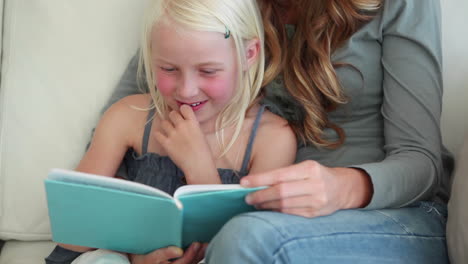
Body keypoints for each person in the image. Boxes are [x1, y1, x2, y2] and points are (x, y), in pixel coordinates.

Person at [50, 0, 454, 262]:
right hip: (260, 221)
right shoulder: (204, 12)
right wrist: (140, 246)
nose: (188, 85)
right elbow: (117, 146)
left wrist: (343, 187)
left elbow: (421, 163)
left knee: (246, 239)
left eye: (208, 71)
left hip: (387, 216)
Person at [44, 0, 297, 263]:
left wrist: (199, 167)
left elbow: (249, 246)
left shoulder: (272, 140)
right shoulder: (128, 117)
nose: (186, 90)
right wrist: (135, 257)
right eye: (169, 69)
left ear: (249, 54)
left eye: (208, 71)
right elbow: (72, 232)